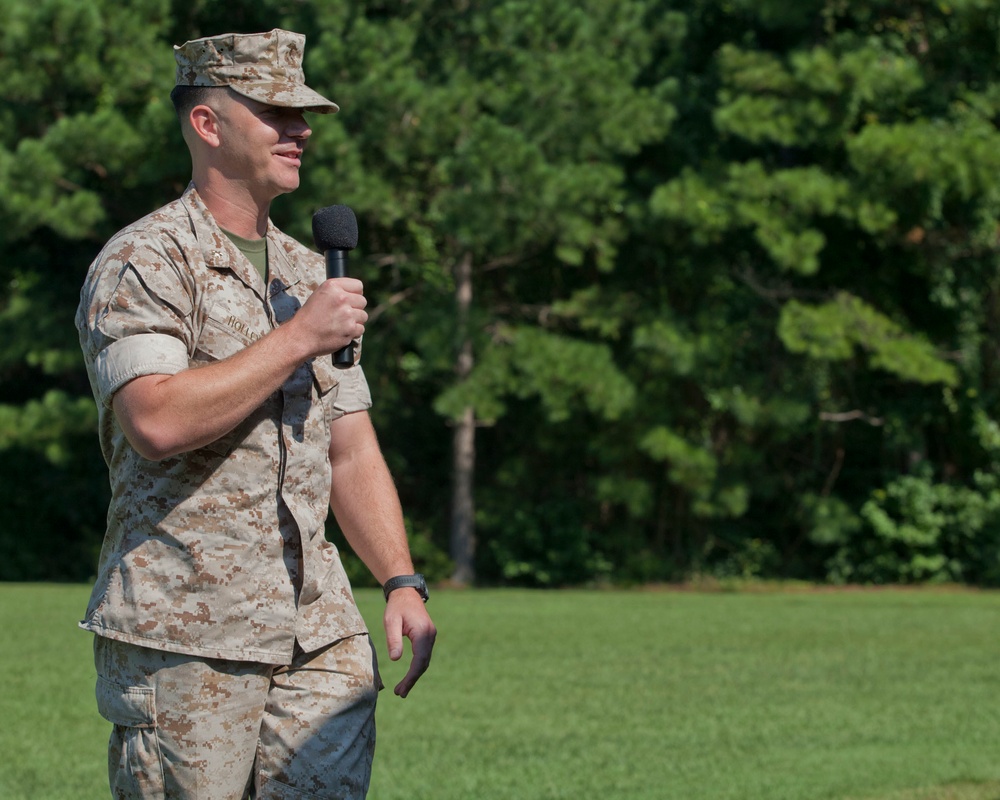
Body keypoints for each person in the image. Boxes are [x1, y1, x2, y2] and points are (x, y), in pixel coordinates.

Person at [75, 29, 436, 799]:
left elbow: (348, 447)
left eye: (304, 113)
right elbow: (156, 421)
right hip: (187, 634)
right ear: (208, 124)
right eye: (278, 111)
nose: (301, 129)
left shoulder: (311, 270)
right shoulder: (146, 261)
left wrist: (401, 579)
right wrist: (298, 337)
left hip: (319, 631)